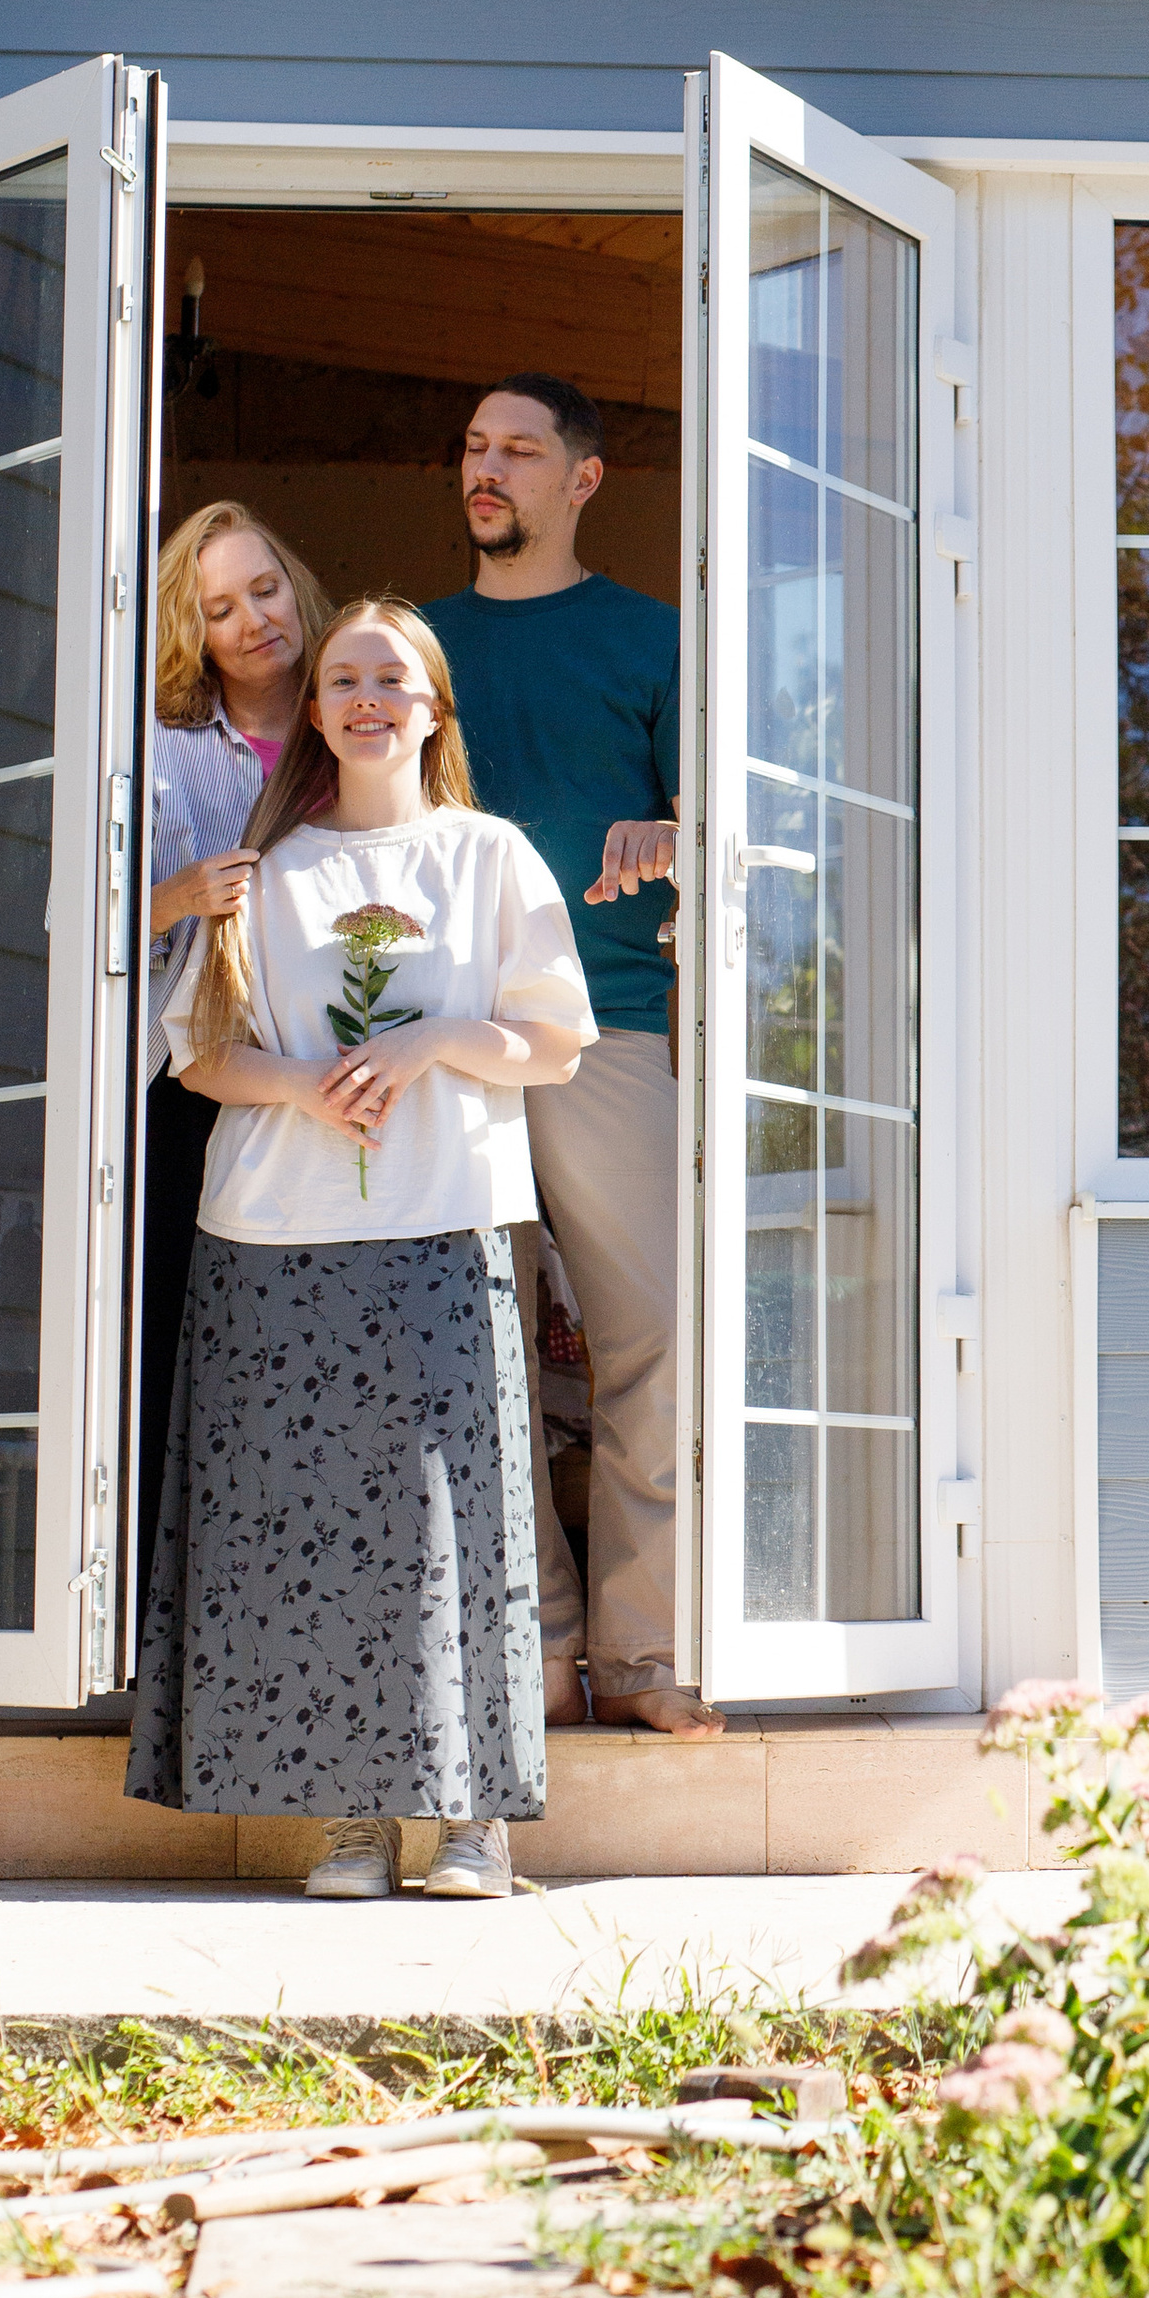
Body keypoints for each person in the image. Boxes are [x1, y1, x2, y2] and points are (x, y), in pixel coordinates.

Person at [125, 598, 592, 1900]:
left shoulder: (490, 857)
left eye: (393, 675)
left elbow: (550, 1041)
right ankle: (343, 1824)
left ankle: (472, 1828)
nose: (367, 695)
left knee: (461, 1525)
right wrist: (307, 1084)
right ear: (319, 713)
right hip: (274, 1236)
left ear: (434, 707)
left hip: (442, 1222)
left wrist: (428, 1041)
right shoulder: (263, 873)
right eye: (343, 678)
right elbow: (202, 1053)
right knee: (312, 1530)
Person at [423, 377, 719, 1738]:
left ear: (582, 480)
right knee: (477, 1358)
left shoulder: (656, 639)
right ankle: (534, 1659)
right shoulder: (411, 649)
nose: (489, 470)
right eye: (477, 449)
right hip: (452, 1046)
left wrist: (670, 834)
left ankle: (645, 1655)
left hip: (614, 1029)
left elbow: (734, 827)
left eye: (520, 451)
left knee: (656, 1343)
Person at [138, 503, 332, 1635]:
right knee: (187, 1347)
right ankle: (182, 1623)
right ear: (195, 635)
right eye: (220, 608)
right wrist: (180, 896)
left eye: (263, 588)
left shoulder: (362, 714)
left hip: (343, 1083)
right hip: (195, 1087)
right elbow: (86, 918)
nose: (253, 619)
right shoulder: (161, 756)